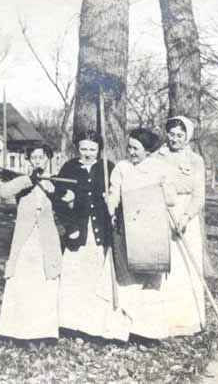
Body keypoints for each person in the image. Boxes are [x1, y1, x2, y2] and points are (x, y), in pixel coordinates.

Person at [54, 130, 130, 341]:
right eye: (83, 149)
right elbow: (57, 203)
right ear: (77, 148)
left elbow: (118, 197)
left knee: (97, 279)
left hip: (100, 234)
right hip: (77, 233)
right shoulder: (69, 168)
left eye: (92, 149)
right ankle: (70, 325)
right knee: (75, 278)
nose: (87, 153)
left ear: (99, 149)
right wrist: (68, 214)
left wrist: (110, 201)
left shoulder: (107, 168)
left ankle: (95, 327)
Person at [105, 127, 180, 339]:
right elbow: (114, 193)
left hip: (151, 230)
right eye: (129, 147)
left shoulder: (159, 168)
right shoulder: (122, 167)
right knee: (127, 279)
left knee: (150, 280)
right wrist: (111, 207)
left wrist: (162, 188)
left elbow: (171, 198)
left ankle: (148, 331)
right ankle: (123, 329)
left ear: (147, 150)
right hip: (126, 228)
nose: (131, 152)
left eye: (136, 148)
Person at [0, 144, 68, 340]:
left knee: (45, 280)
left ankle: (44, 332)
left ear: (48, 159)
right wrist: (28, 180)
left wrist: (56, 191)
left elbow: (68, 199)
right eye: (34, 157)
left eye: (42, 157)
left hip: (46, 239)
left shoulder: (53, 181)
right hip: (25, 240)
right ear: (29, 160)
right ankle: (15, 330)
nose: (38, 161)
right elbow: (4, 192)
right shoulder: (21, 179)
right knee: (22, 280)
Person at [152, 116, 207, 336]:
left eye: (180, 135)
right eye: (172, 134)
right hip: (163, 213)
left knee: (186, 268)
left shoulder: (195, 160)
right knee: (167, 268)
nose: (175, 139)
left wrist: (185, 218)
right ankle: (164, 321)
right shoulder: (157, 157)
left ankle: (189, 321)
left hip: (186, 218)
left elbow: (199, 195)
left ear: (187, 136)